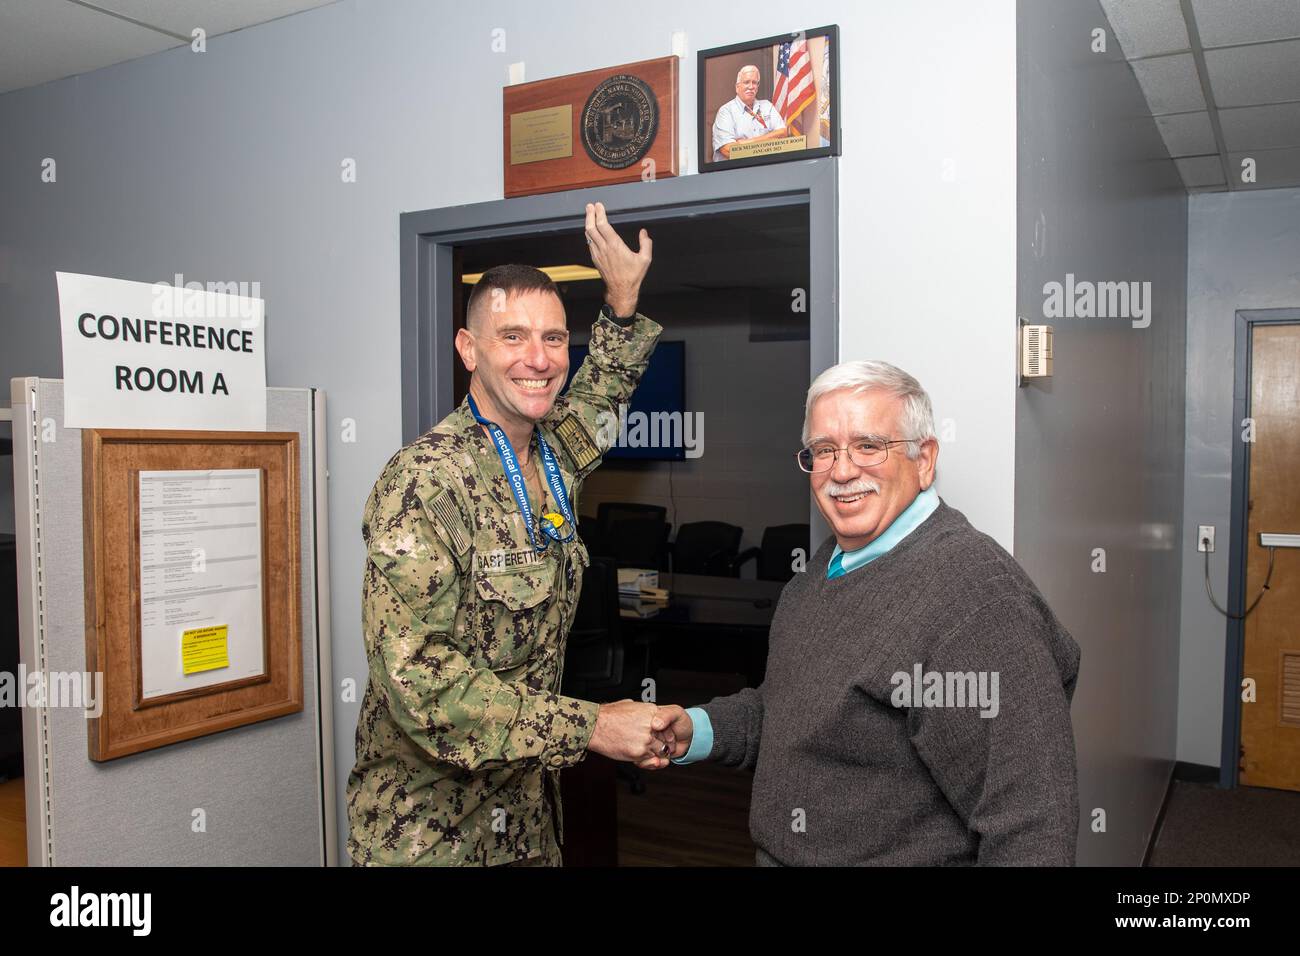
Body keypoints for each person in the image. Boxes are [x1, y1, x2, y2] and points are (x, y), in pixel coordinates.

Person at [348, 202, 676, 866]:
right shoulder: (424, 484)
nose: (538, 358)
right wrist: (596, 726)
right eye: (513, 337)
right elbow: (424, 688)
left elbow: (603, 394)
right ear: (469, 348)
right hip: (426, 835)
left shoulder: (553, 458)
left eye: (554, 338)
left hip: (525, 821)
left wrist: (620, 301)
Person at [653, 361, 1082, 865]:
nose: (841, 471)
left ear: (924, 460)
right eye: (823, 450)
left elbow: (1033, 822)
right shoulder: (829, 565)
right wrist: (694, 729)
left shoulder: (974, 599)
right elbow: (796, 710)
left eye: (868, 446)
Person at [712, 65, 789, 162]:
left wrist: (745, 143)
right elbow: (728, 150)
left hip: (766, 168)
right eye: (746, 82)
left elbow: (783, 133)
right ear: (737, 87)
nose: (751, 86)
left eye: (754, 82)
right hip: (735, 173)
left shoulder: (767, 106)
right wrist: (770, 139)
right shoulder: (726, 111)